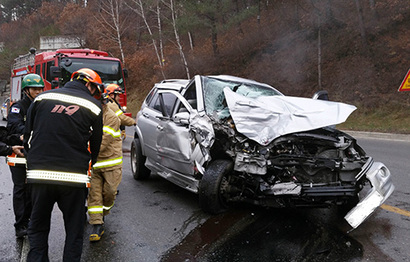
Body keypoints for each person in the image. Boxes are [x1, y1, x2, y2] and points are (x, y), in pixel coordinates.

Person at [23, 68, 104, 261]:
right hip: (73, 178)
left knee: (38, 227)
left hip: (39, 175)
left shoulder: (42, 99)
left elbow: (28, 136)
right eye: (95, 89)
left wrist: (33, 161)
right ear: (89, 84)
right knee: (74, 230)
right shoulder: (93, 106)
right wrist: (87, 165)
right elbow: (96, 146)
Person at [6, 73, 44, 238]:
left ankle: (30, 221)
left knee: (33, 189)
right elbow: (14, 126)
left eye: (40, 88)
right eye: (34, 89)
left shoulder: (43, 105)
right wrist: (30, 133)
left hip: (36, 154)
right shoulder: (18, 107)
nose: (38, 91)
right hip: (19, 155)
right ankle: (20, 225)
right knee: (21, 189)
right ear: (26, 90)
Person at [87, 93, 122, 242]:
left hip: (110, 163)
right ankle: (96, 225)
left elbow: (102, 142)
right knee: (95, 195)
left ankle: (103, 213)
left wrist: (84, 152)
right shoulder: (88, 115)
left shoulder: (111, 117)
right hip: (95, 164)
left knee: (109, 193)